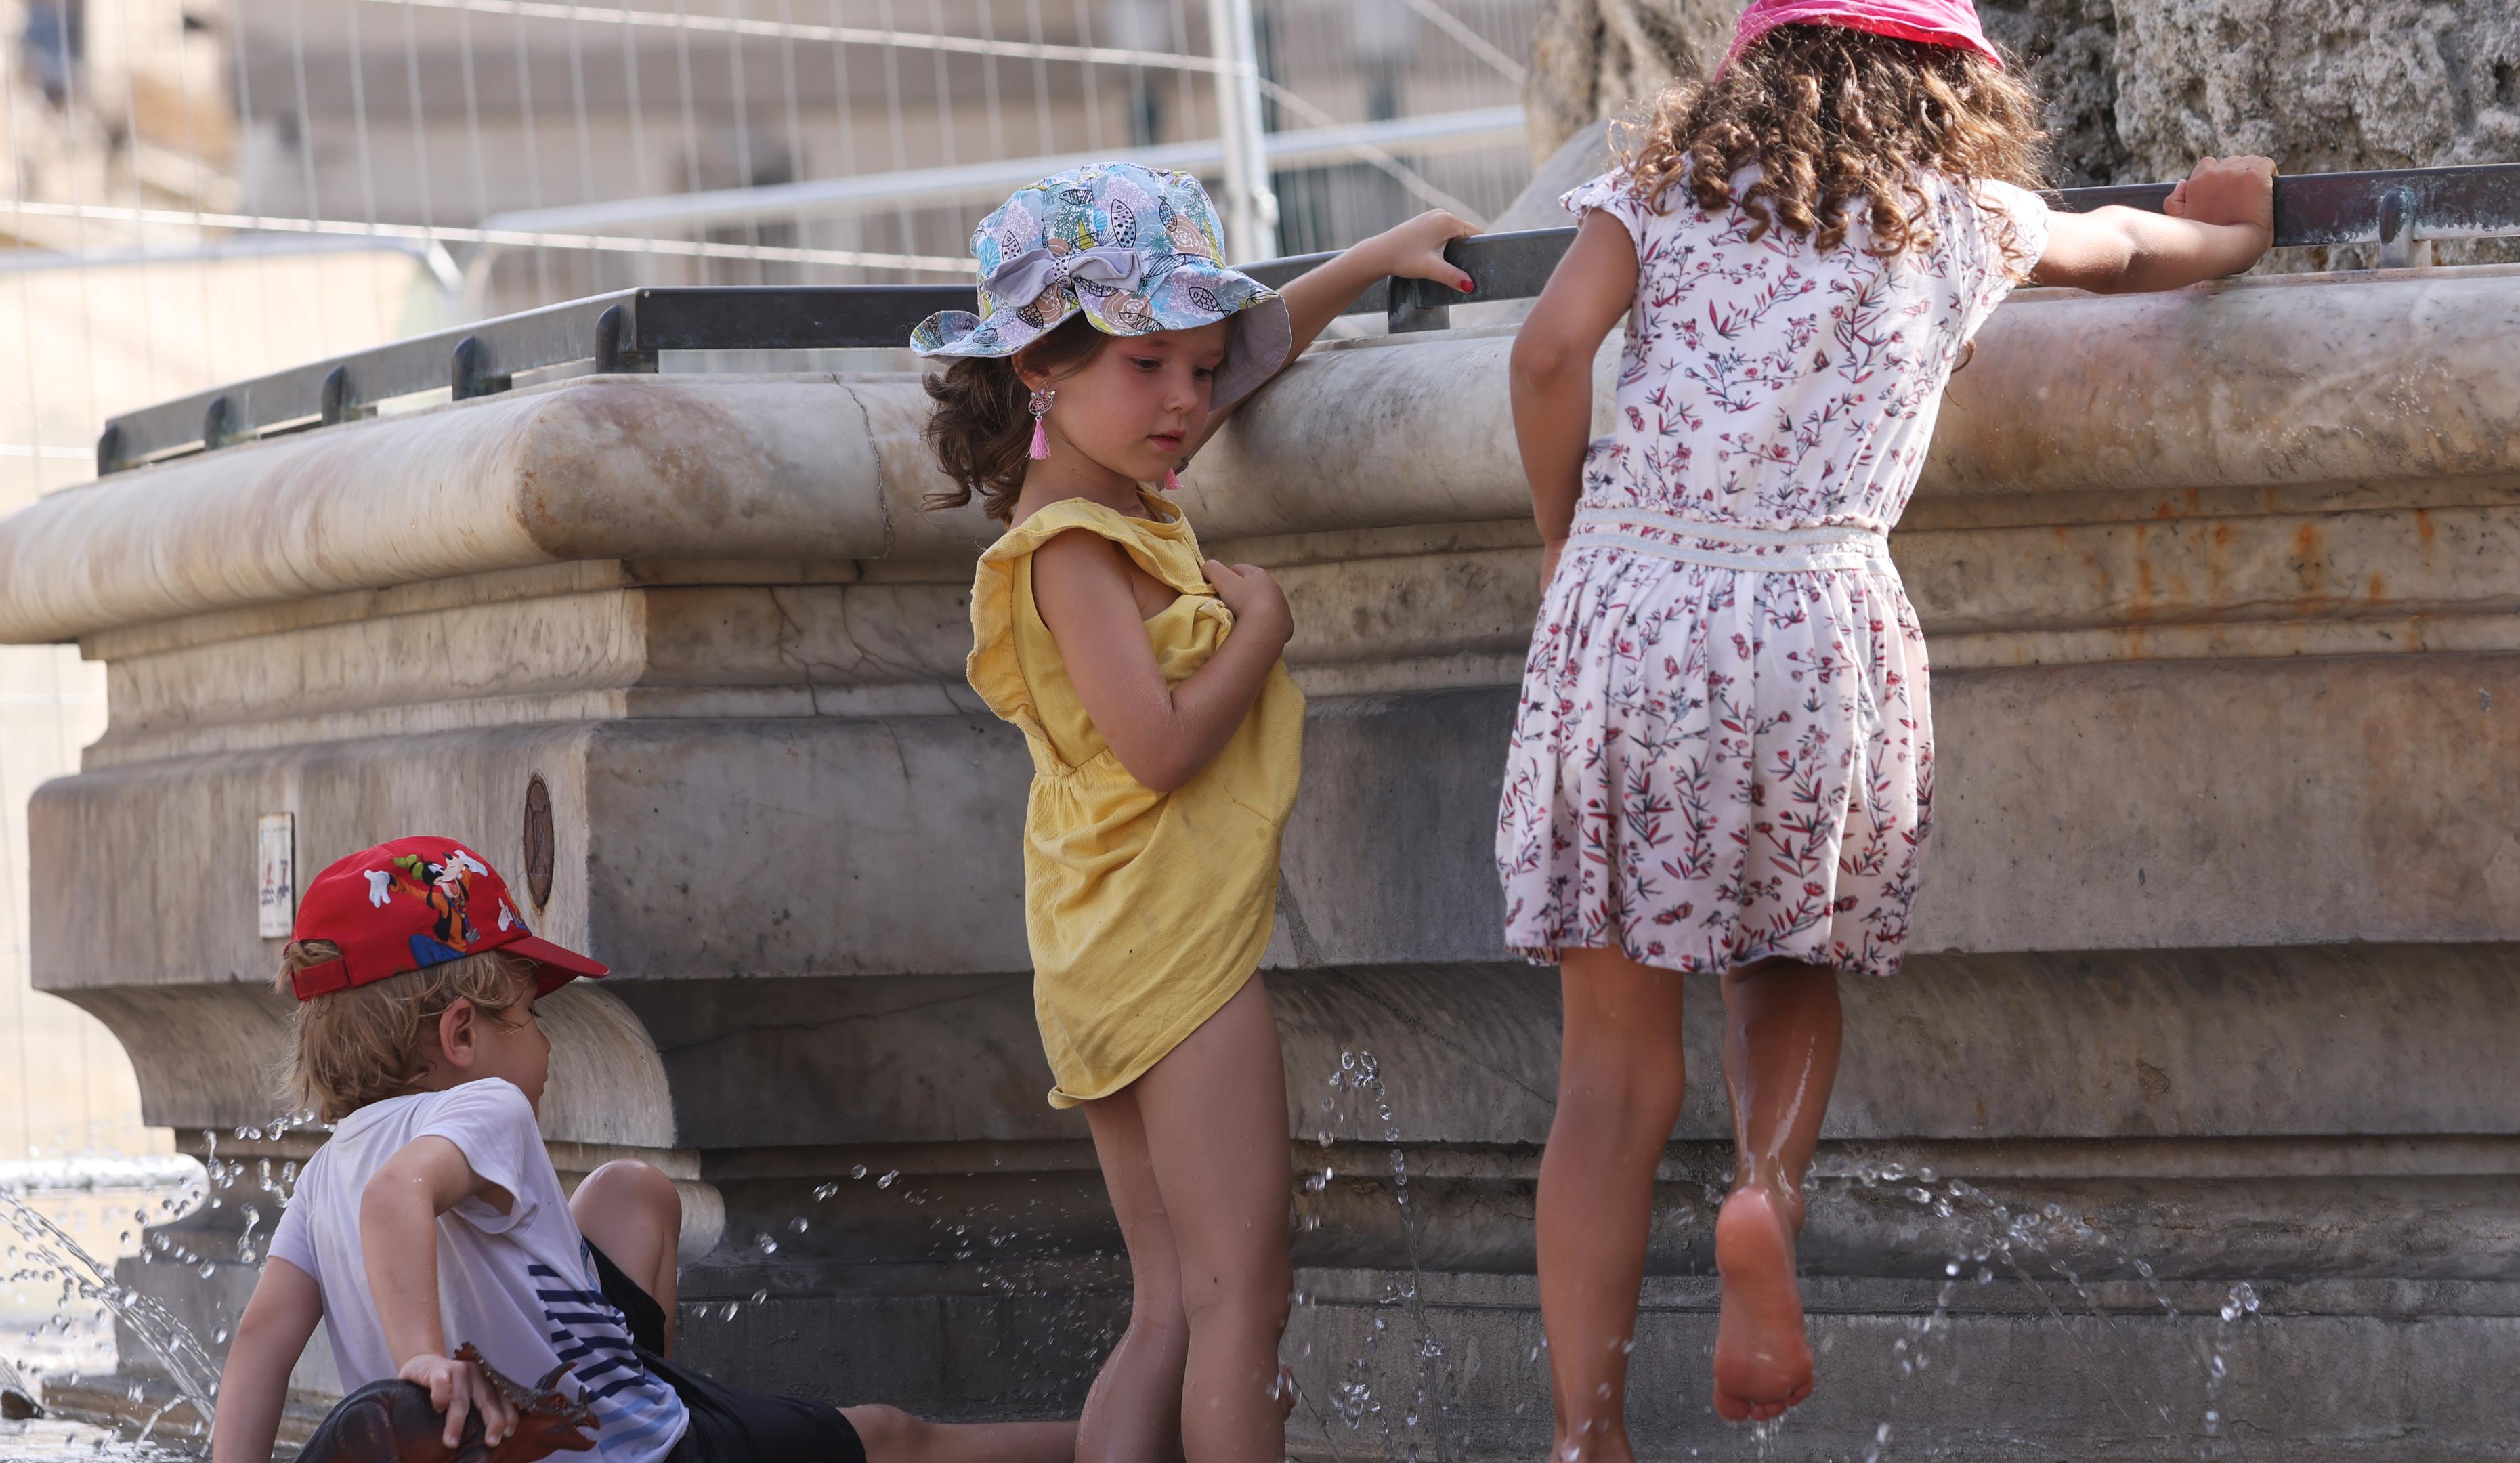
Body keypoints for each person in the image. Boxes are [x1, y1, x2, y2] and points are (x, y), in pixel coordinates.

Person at [1496, 0, 2276, 1449]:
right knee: (1787, 963)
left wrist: (1565, 535)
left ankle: (1583, 1432)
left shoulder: (1666, 190)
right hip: (1813, 619)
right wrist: (2229, 229)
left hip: (1632, 602)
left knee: (1607, 1073)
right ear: (1948, 77)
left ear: (1755, 62)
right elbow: (2126, 252)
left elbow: (1548, 356)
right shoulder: (1967, 215)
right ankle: (1765, 1193)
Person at [911, 163, 1477, 1463]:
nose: (1186, 402)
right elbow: (1159, 750)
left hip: (1111, 930)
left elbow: (1252, 361)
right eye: (1152, 366)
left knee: (1172, 1301)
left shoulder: (1111, 491)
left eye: (1198, 367)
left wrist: (1369, 257)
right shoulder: (1074, 549)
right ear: (1042, 369)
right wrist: (1264, 624)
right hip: (1167, 945)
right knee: (1240, 1301)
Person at [209, 836, 1080, 1463]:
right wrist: (421, 1365)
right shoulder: (487, 1106)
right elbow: (398, 1195)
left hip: (540, 1429)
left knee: (632, 1192)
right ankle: (1125, 1445)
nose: (545, 1046)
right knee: (896, 1439)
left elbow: (260, 1344)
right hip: (638, 1453)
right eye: (534, 1016)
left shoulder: (324, 1169)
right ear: (463, 1033)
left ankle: (641, 1385)